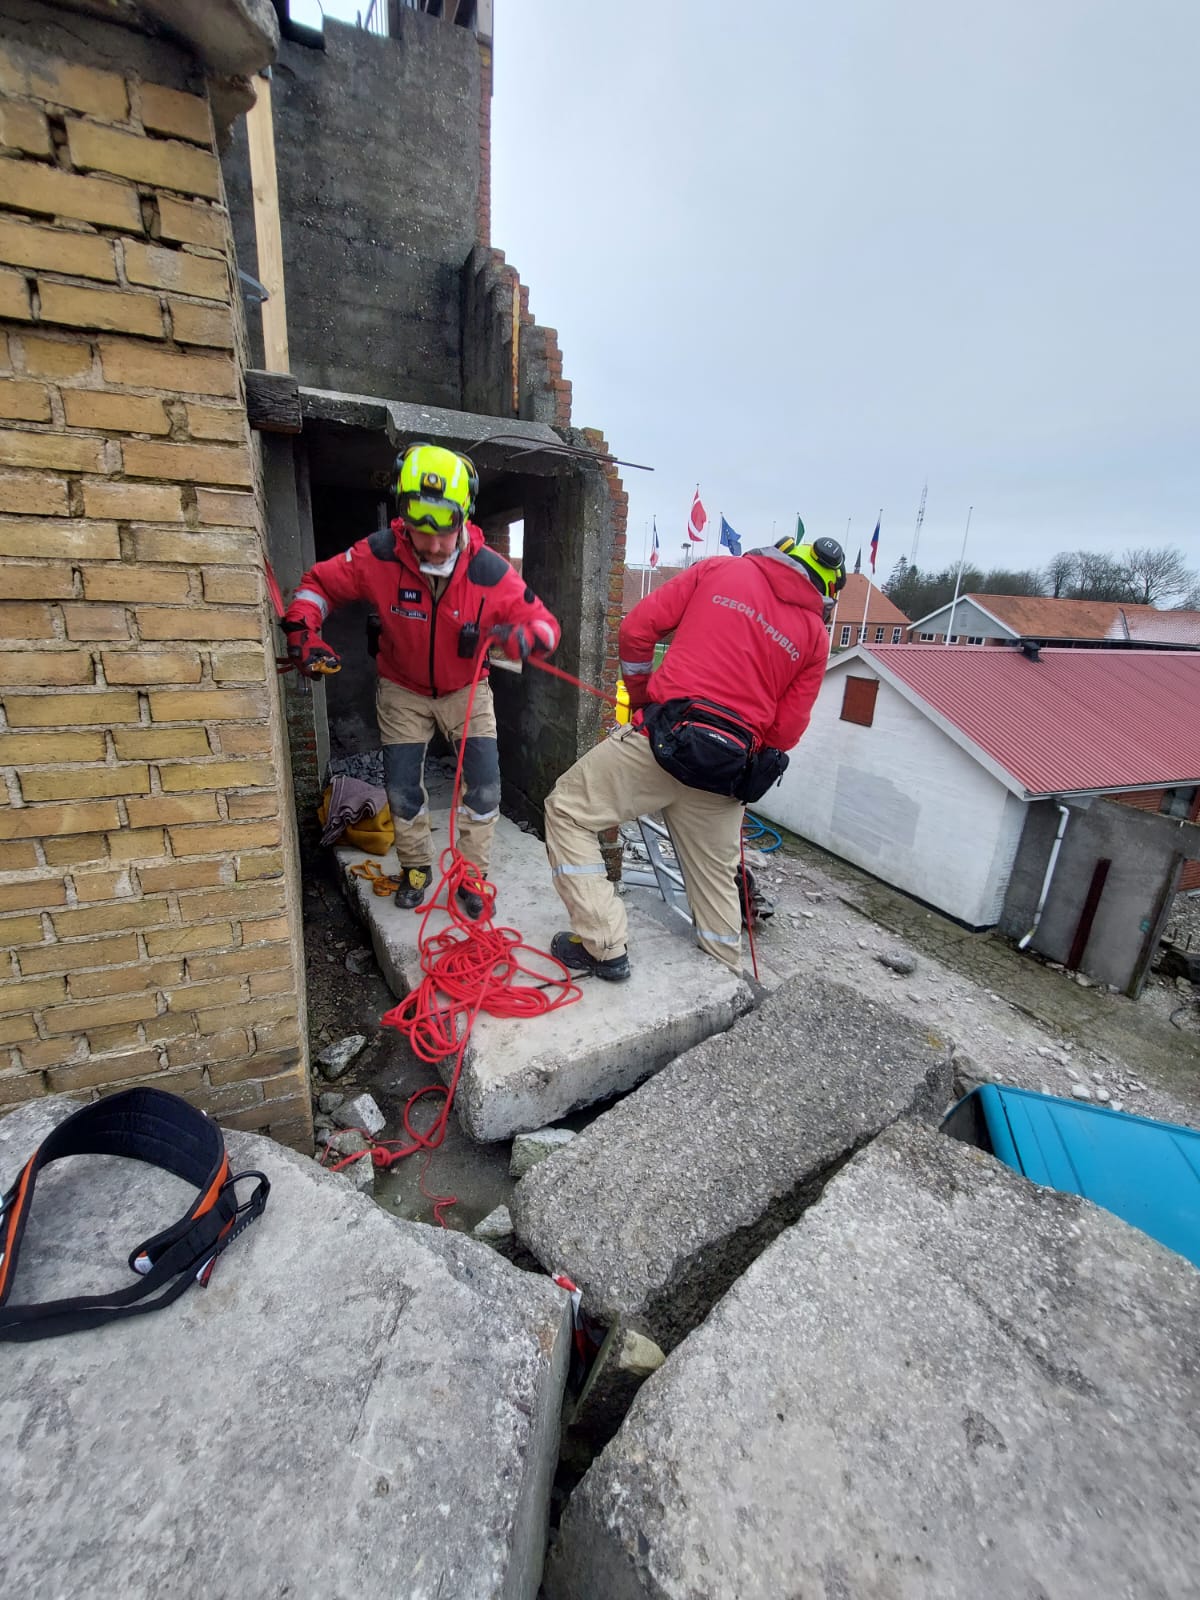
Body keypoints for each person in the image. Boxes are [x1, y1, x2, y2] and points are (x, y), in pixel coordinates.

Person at [543, 532, 845, 979]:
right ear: (825, 589)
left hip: (661, 742)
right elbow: (786, 731)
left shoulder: (722, 569)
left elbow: (636, 631)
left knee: (568, 810)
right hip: (725, 772)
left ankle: (604, 942)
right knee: (717, 882)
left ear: (781, 553)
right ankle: (725, 977)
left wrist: (644, 700)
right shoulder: (816, 638)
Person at [281, 442, 560, 916]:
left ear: (464, 517)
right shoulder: (378, 555)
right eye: (419, 532)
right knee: (403, 788)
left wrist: (524, 637)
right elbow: (318, 585)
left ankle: (472, 877)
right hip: (402, 691)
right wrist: (302, 626)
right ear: (403, 515)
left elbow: (546, 626)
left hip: (468, 691)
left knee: (487, 787)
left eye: (444, 534)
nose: (431, 545)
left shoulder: (489, 570)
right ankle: (415, 867)